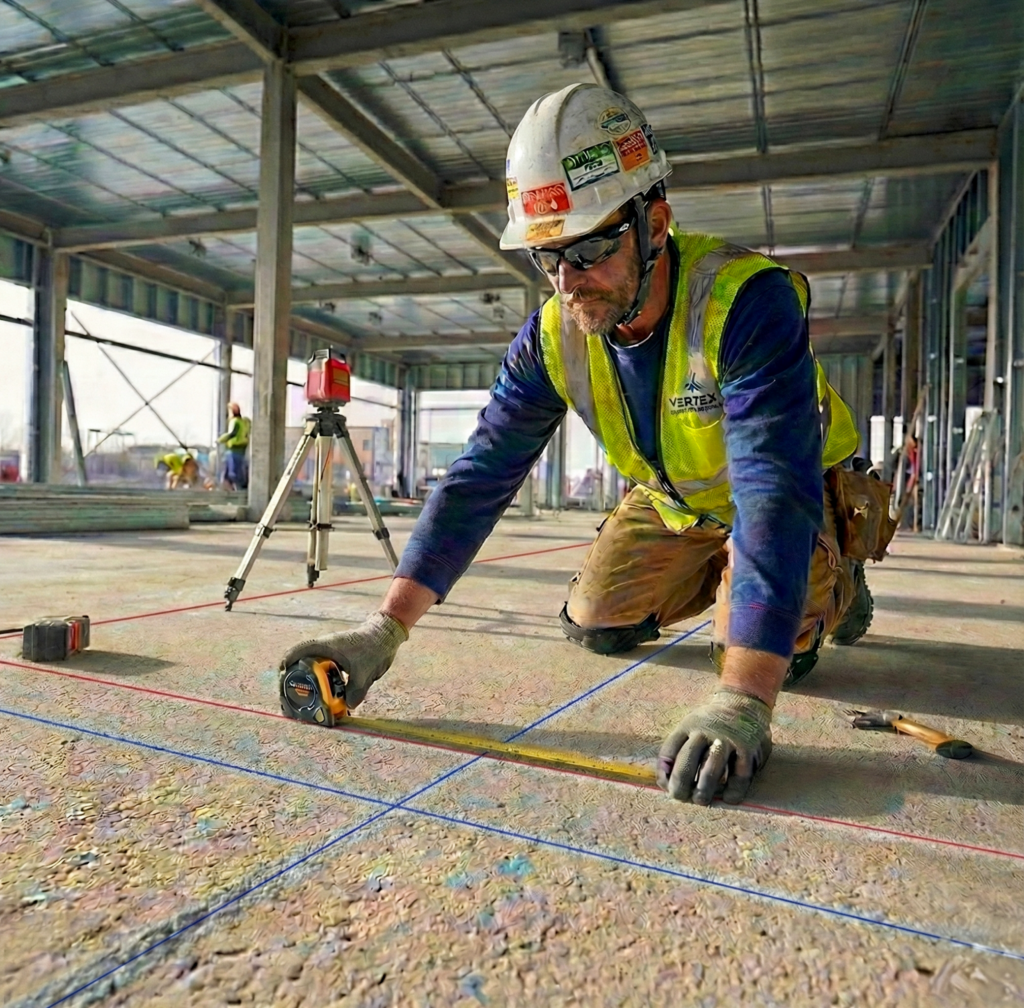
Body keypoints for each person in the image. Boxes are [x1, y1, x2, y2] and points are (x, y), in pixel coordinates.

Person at [280, 84, 875, 807]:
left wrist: (744, 699)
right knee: (595, 624)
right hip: (677, 502)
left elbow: (772, 489)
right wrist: (384, 630)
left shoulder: (745, 300)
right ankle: (729, 574)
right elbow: (480, 476)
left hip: (790, 489)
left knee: (769, 653)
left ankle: (841, 578)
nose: (568, 280)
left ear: (655, 223)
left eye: (589, 248)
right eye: (547, 256)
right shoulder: (552, 335)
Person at [218, 402, 250, 491]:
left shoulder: (235, 421)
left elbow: (232, 433)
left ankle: (239, 489)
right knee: (227, 473)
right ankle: (228, 489)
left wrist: (220, 440)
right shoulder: (243, 422)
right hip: (240, 448)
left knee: (233, 473)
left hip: (234, 449)